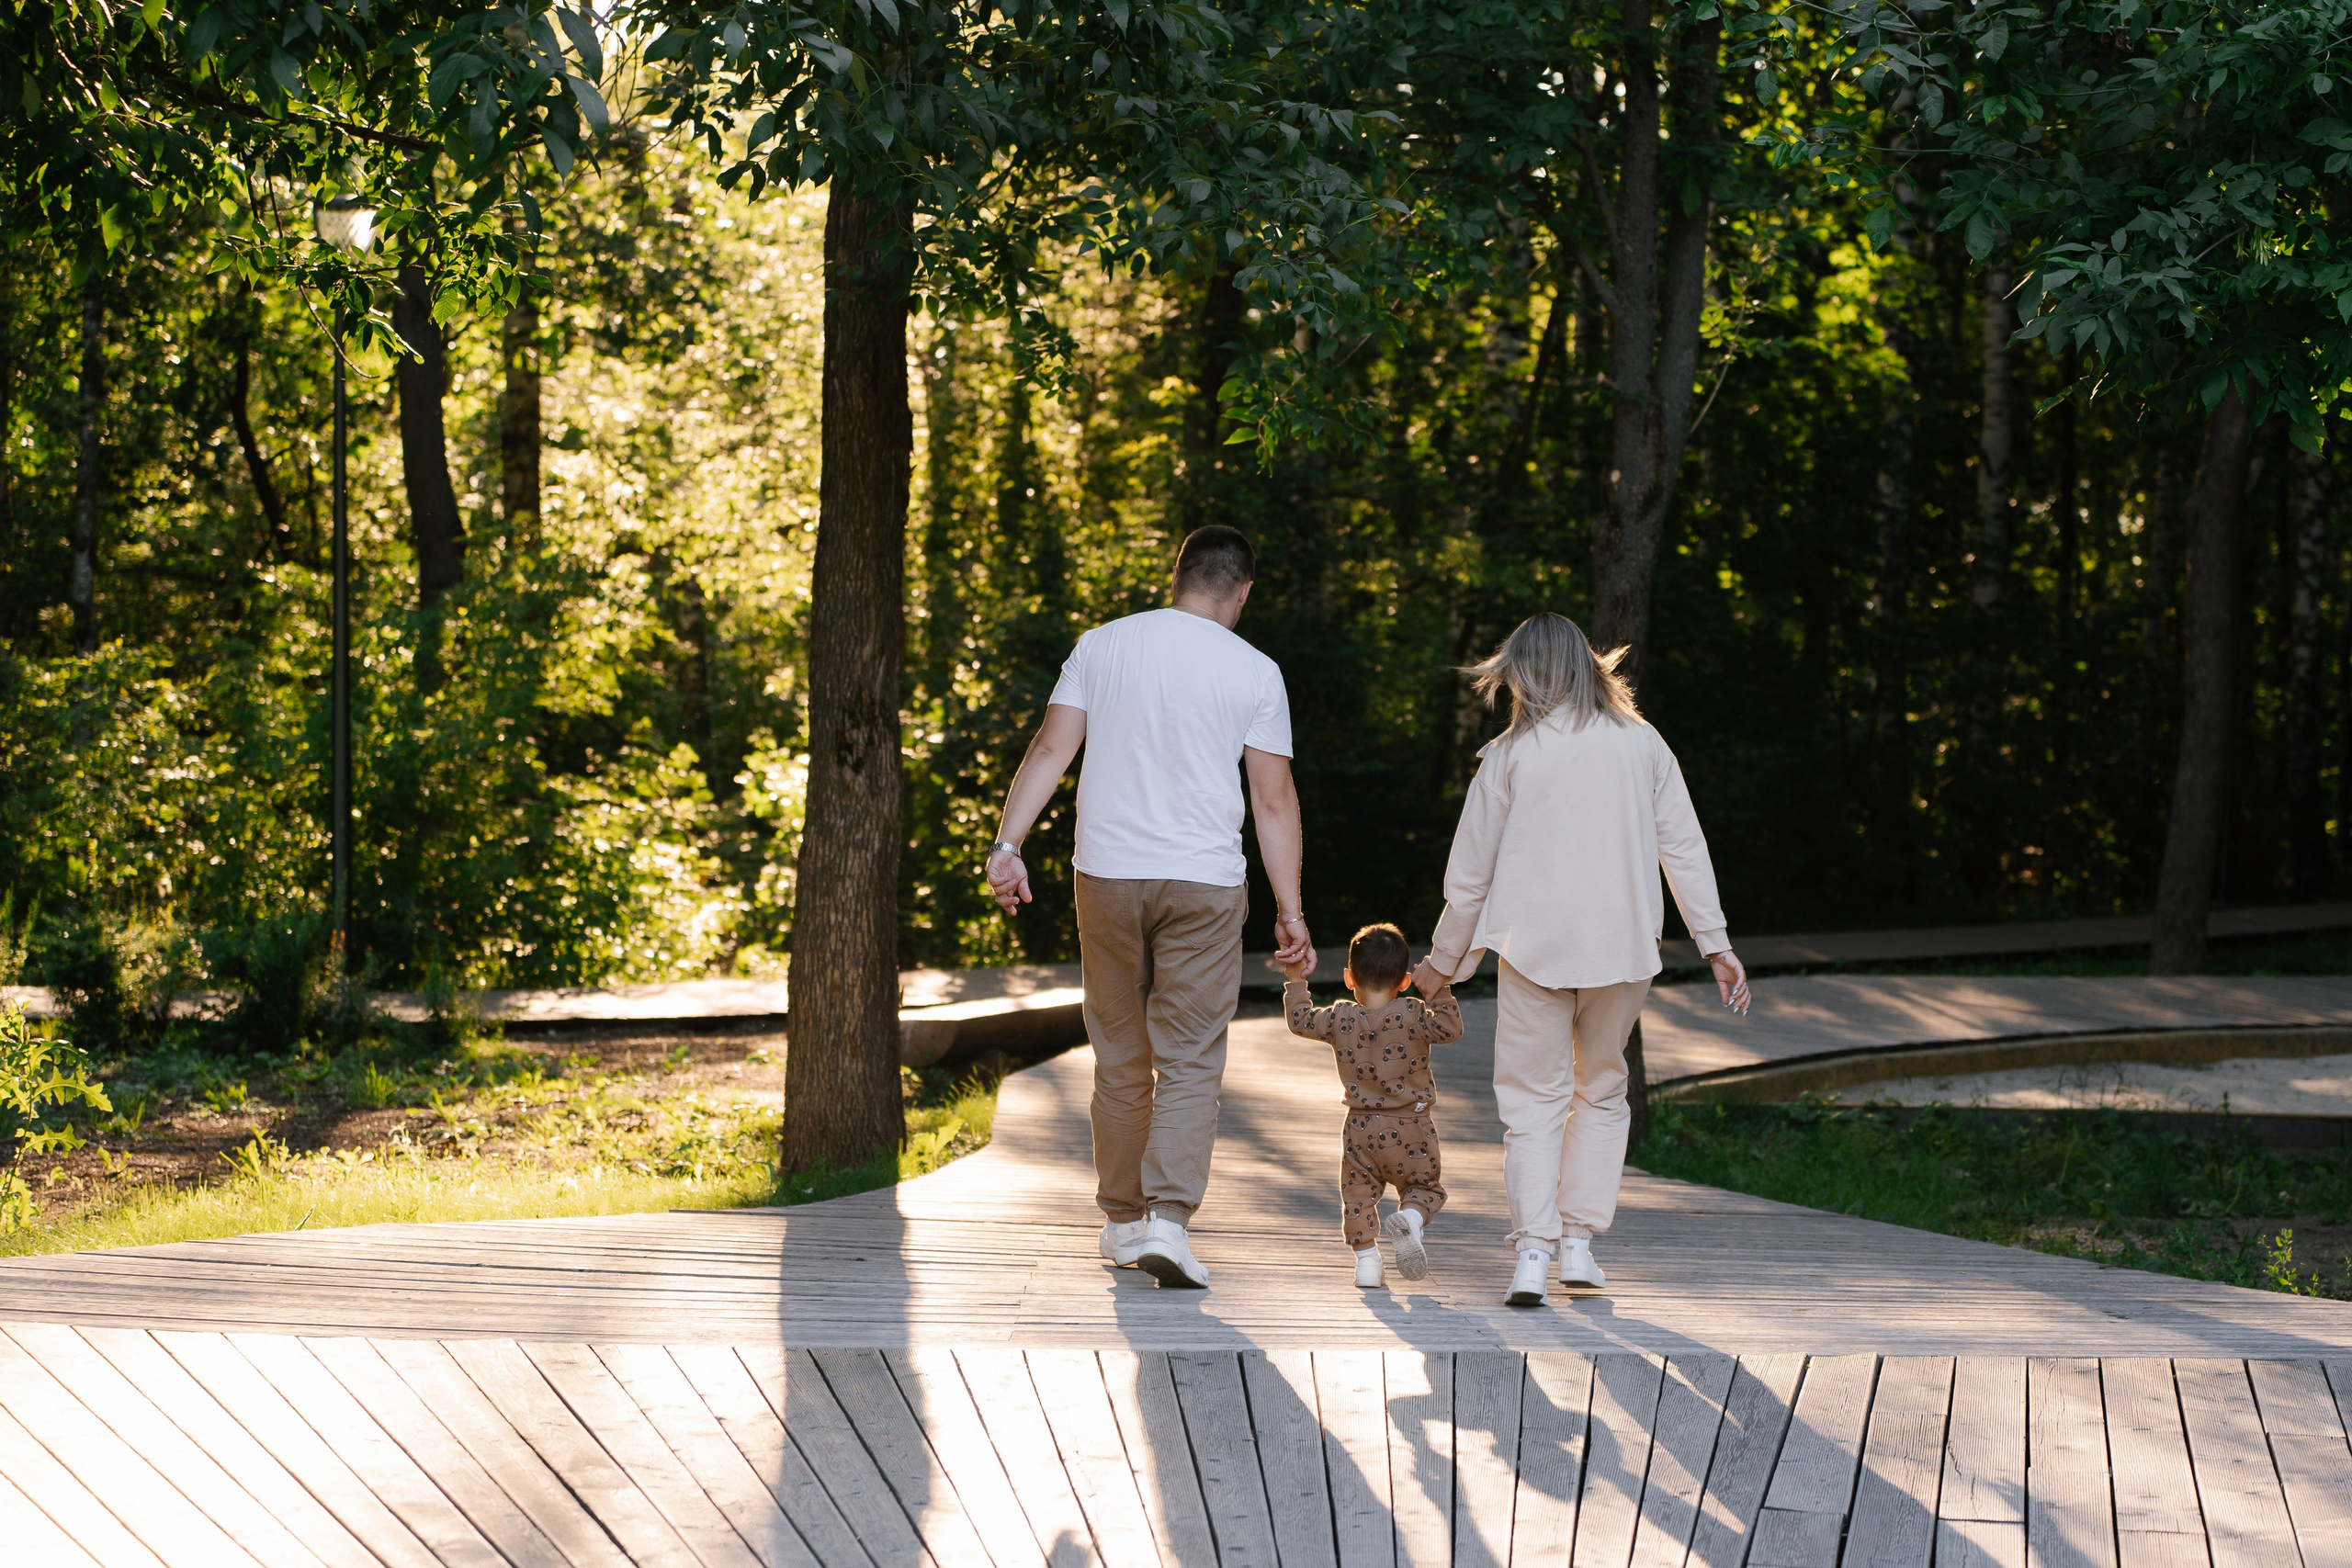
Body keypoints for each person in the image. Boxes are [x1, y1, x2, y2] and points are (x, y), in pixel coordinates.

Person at [986, 525, 1314, 1289]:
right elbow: (1273, 801)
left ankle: (1122, 1221)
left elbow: (1050, 750)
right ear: (1243, 591)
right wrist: (1290, 908)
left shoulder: (1101, 645)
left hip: (1105, 874)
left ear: (1177, 575)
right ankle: (1167, 1220)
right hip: (1203, 884)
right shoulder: (1255, 670)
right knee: (1191, 1056)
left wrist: (1008, 845)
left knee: (1120, 1051)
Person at [1411, 613, 1749, 1308]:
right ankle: (1578, 1244)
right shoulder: (1642, 742)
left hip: (1533, 949)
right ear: (1587, 665)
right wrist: (1715, 942)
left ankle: (1532, 1255)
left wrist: (1441, 964)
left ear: (1523, 675)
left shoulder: (1509, 756)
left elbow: (1469, 877)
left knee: (1531, 1103)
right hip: (1622, 948)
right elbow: (1684, 846)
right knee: (1600, 1089)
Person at [1283, 921, 1463, 1288]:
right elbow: (1450, 1028)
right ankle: (1410, 1219)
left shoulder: (1339, 1018)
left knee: (1358, 1197)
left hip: (1360, 1130)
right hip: (1412, 1126)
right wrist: (1437, 988)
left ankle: (1367, 1262)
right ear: (1405, 981)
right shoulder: (1414, 1014)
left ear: (1349, 978)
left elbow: (1299, 1021)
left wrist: (1296, 979)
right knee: (1423, 1188)